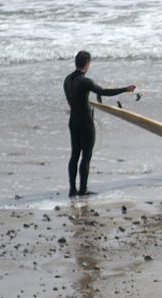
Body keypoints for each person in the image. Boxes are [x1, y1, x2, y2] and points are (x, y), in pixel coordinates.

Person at [63, 51, 136, 197]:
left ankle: (72, 190)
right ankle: (83, 190)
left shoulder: (67, 80)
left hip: (73, 121)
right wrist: (125, 89)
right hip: (85, 122)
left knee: (74, 155)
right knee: (86, 156)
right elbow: (104, 92)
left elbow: (75, 100)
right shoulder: (85, 81)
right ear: (87, 64)